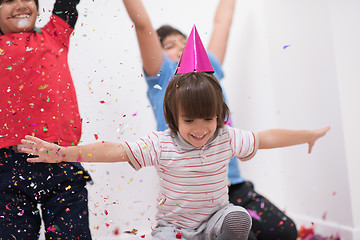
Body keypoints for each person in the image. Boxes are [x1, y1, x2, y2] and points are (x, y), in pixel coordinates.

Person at [19, 71, 330, 240]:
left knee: (238, 216)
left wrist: (308, 136)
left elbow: (266, 138)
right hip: (175, 227)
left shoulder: (225, 137)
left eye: (208, 118)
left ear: (220, 116)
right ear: (173, 118)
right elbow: (114, 150)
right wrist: (63, 152)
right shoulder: (161, 143)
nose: (200, 129)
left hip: (217, 221)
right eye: (189, 120)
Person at [123, 0, 299, 238]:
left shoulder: (209, 69)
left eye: (184, 42)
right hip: (188, 200)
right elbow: (143, 26)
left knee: (284, 231)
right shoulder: (163, 74)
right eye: (170, 45)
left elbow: (222, 23)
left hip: (231, 189)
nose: (181, 47)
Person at [0, 0, 92, 239]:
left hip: (62, 159)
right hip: (7, 167)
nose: (20, 5)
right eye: (8, 0)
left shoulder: (56, 34)